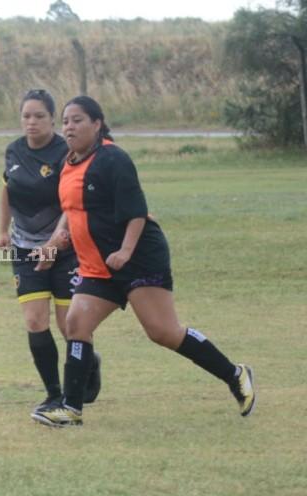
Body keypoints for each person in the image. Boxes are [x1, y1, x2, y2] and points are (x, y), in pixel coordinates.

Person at [30, 96, 256, 427]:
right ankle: (70, 408)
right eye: (65, 120)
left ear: (97, 123)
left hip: (138, 256)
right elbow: (71, 209)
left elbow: (136, 211)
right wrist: (54, 243)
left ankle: (235, 375)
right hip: (99, 264)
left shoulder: (113, 159)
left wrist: (125, 250)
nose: (69, 126)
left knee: (163, 332)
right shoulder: (69, 161)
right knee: (76, 323)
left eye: (77, 120)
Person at [0, 89, 102, 422]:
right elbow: (7, 190)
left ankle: (89, 364)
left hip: (67, 249)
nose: (32, 122)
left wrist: (56, 242)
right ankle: (54, 394)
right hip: (25, 249)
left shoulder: (64, 152)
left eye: (39, 115)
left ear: (52, 119)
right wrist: (2, 231)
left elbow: (71, 203)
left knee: (69, 324)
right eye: (26, 115)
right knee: (34, 321)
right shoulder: (13, 150)